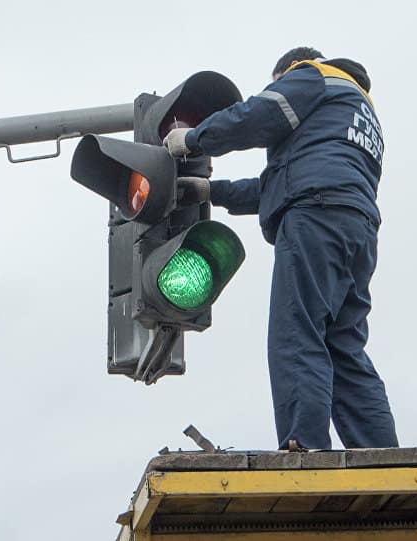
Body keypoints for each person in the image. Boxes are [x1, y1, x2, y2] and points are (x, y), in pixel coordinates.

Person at [164, 47, 399, 451]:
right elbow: (285, 181)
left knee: (297, 331)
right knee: (344, 348)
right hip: (356, 228)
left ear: (286, 72)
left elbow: (258, 116)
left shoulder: (311, 75)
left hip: (315, 218)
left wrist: (192, 139)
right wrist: (212, 192)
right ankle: (382, 454)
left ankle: (303, 446)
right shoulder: (358, 110)